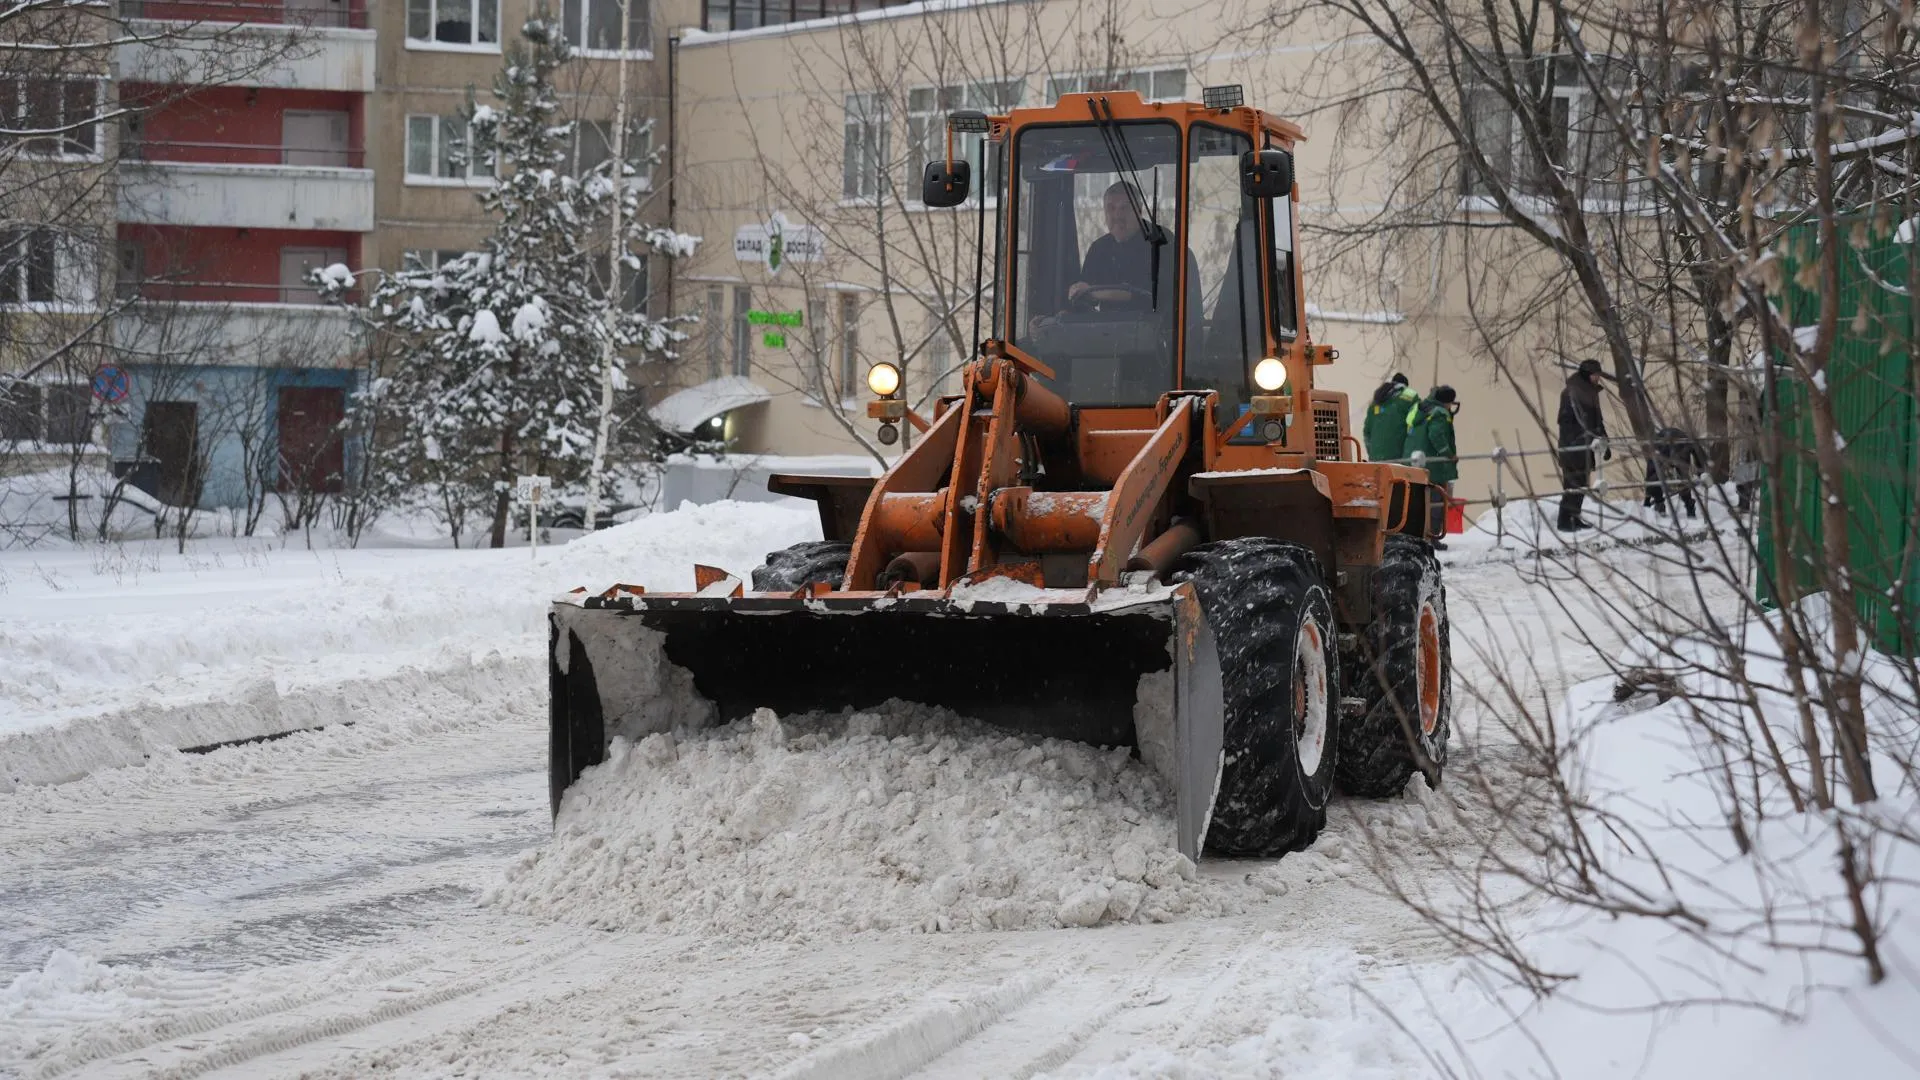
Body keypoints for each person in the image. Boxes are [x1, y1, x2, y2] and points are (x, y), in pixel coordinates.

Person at [1067, 181, 1173, 306]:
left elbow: (1146, 295)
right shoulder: (1099, 248)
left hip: (1156, 324)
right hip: (1109, 325)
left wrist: (1092, 292)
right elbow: (1082, 297)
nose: (1117, 215)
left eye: (1125, 208)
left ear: (1139, 211)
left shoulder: (1161, 241)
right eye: (1111, 208)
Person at [1556, 359, 1612, 532]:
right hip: (1572, 447)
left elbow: (1597, 421)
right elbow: (1565, 422)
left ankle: (1575, 517)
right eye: (1595, 375)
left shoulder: (1591, 393)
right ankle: (1564, 521)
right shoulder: (1571, 393)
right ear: (1588, 374)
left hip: (1586, 446)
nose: (1598, 378)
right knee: (1572, 484)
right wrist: (1578, 439)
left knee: (1582, 484)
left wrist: (1604, 442)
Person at [1404, 385, 1460, 547]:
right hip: (1433, 465)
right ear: (1447, 402)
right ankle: (1433, 537)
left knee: (1419, 501)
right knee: (1436, 501)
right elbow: (1436, 435)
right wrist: (1448, 454)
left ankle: (1418, 536)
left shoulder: (1420, 408)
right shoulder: (1439, 414)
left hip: (1414, 461)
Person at [1644, 426, 1706, 519]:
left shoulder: (1660, 448)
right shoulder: (1658, 448)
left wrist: (1647, 501)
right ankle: (1688, 507)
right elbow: (1698, 452)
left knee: (1677, 477)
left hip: (1678, 444)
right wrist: (1701, 471)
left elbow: (1650, 475)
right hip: (1673, 444)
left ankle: (1663, 505)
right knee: (1681, 478)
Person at [1363, 373, 1421, 461]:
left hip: (1376, 458)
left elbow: (1367, 432)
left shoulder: (1376, 400)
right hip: (1397, 456)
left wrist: (1372, 453)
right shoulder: (1410, 396)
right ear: (1405, 385)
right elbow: (1417, 424)